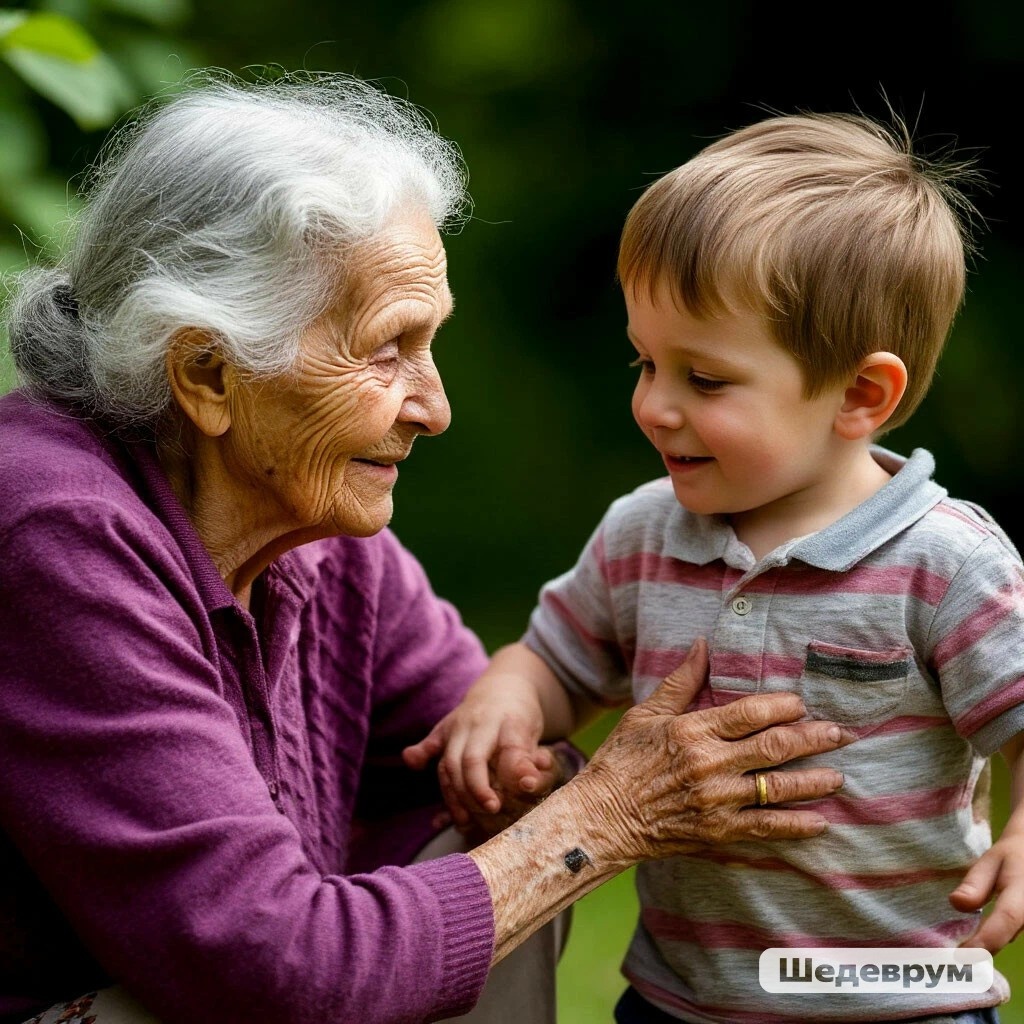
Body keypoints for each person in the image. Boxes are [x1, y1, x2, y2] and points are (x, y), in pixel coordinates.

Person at [0, 75, 856, 1024]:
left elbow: (490, 759)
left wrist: (529, 779)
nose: (435, 408)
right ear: (208, 374)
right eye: (386, 349)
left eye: (431, 343)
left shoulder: (308, 523)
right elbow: (270, 965)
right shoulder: (54, 532)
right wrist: (602, 818)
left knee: (497, 838)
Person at [405, 110, 1024, 1023]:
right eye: (645, 362)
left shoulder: (946, 564)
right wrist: (508, 697)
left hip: (904, 1002)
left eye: (704, 379)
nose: (654, 406)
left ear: (860, 395)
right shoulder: (643, 534)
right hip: (679, 1001)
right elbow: (557, 665)